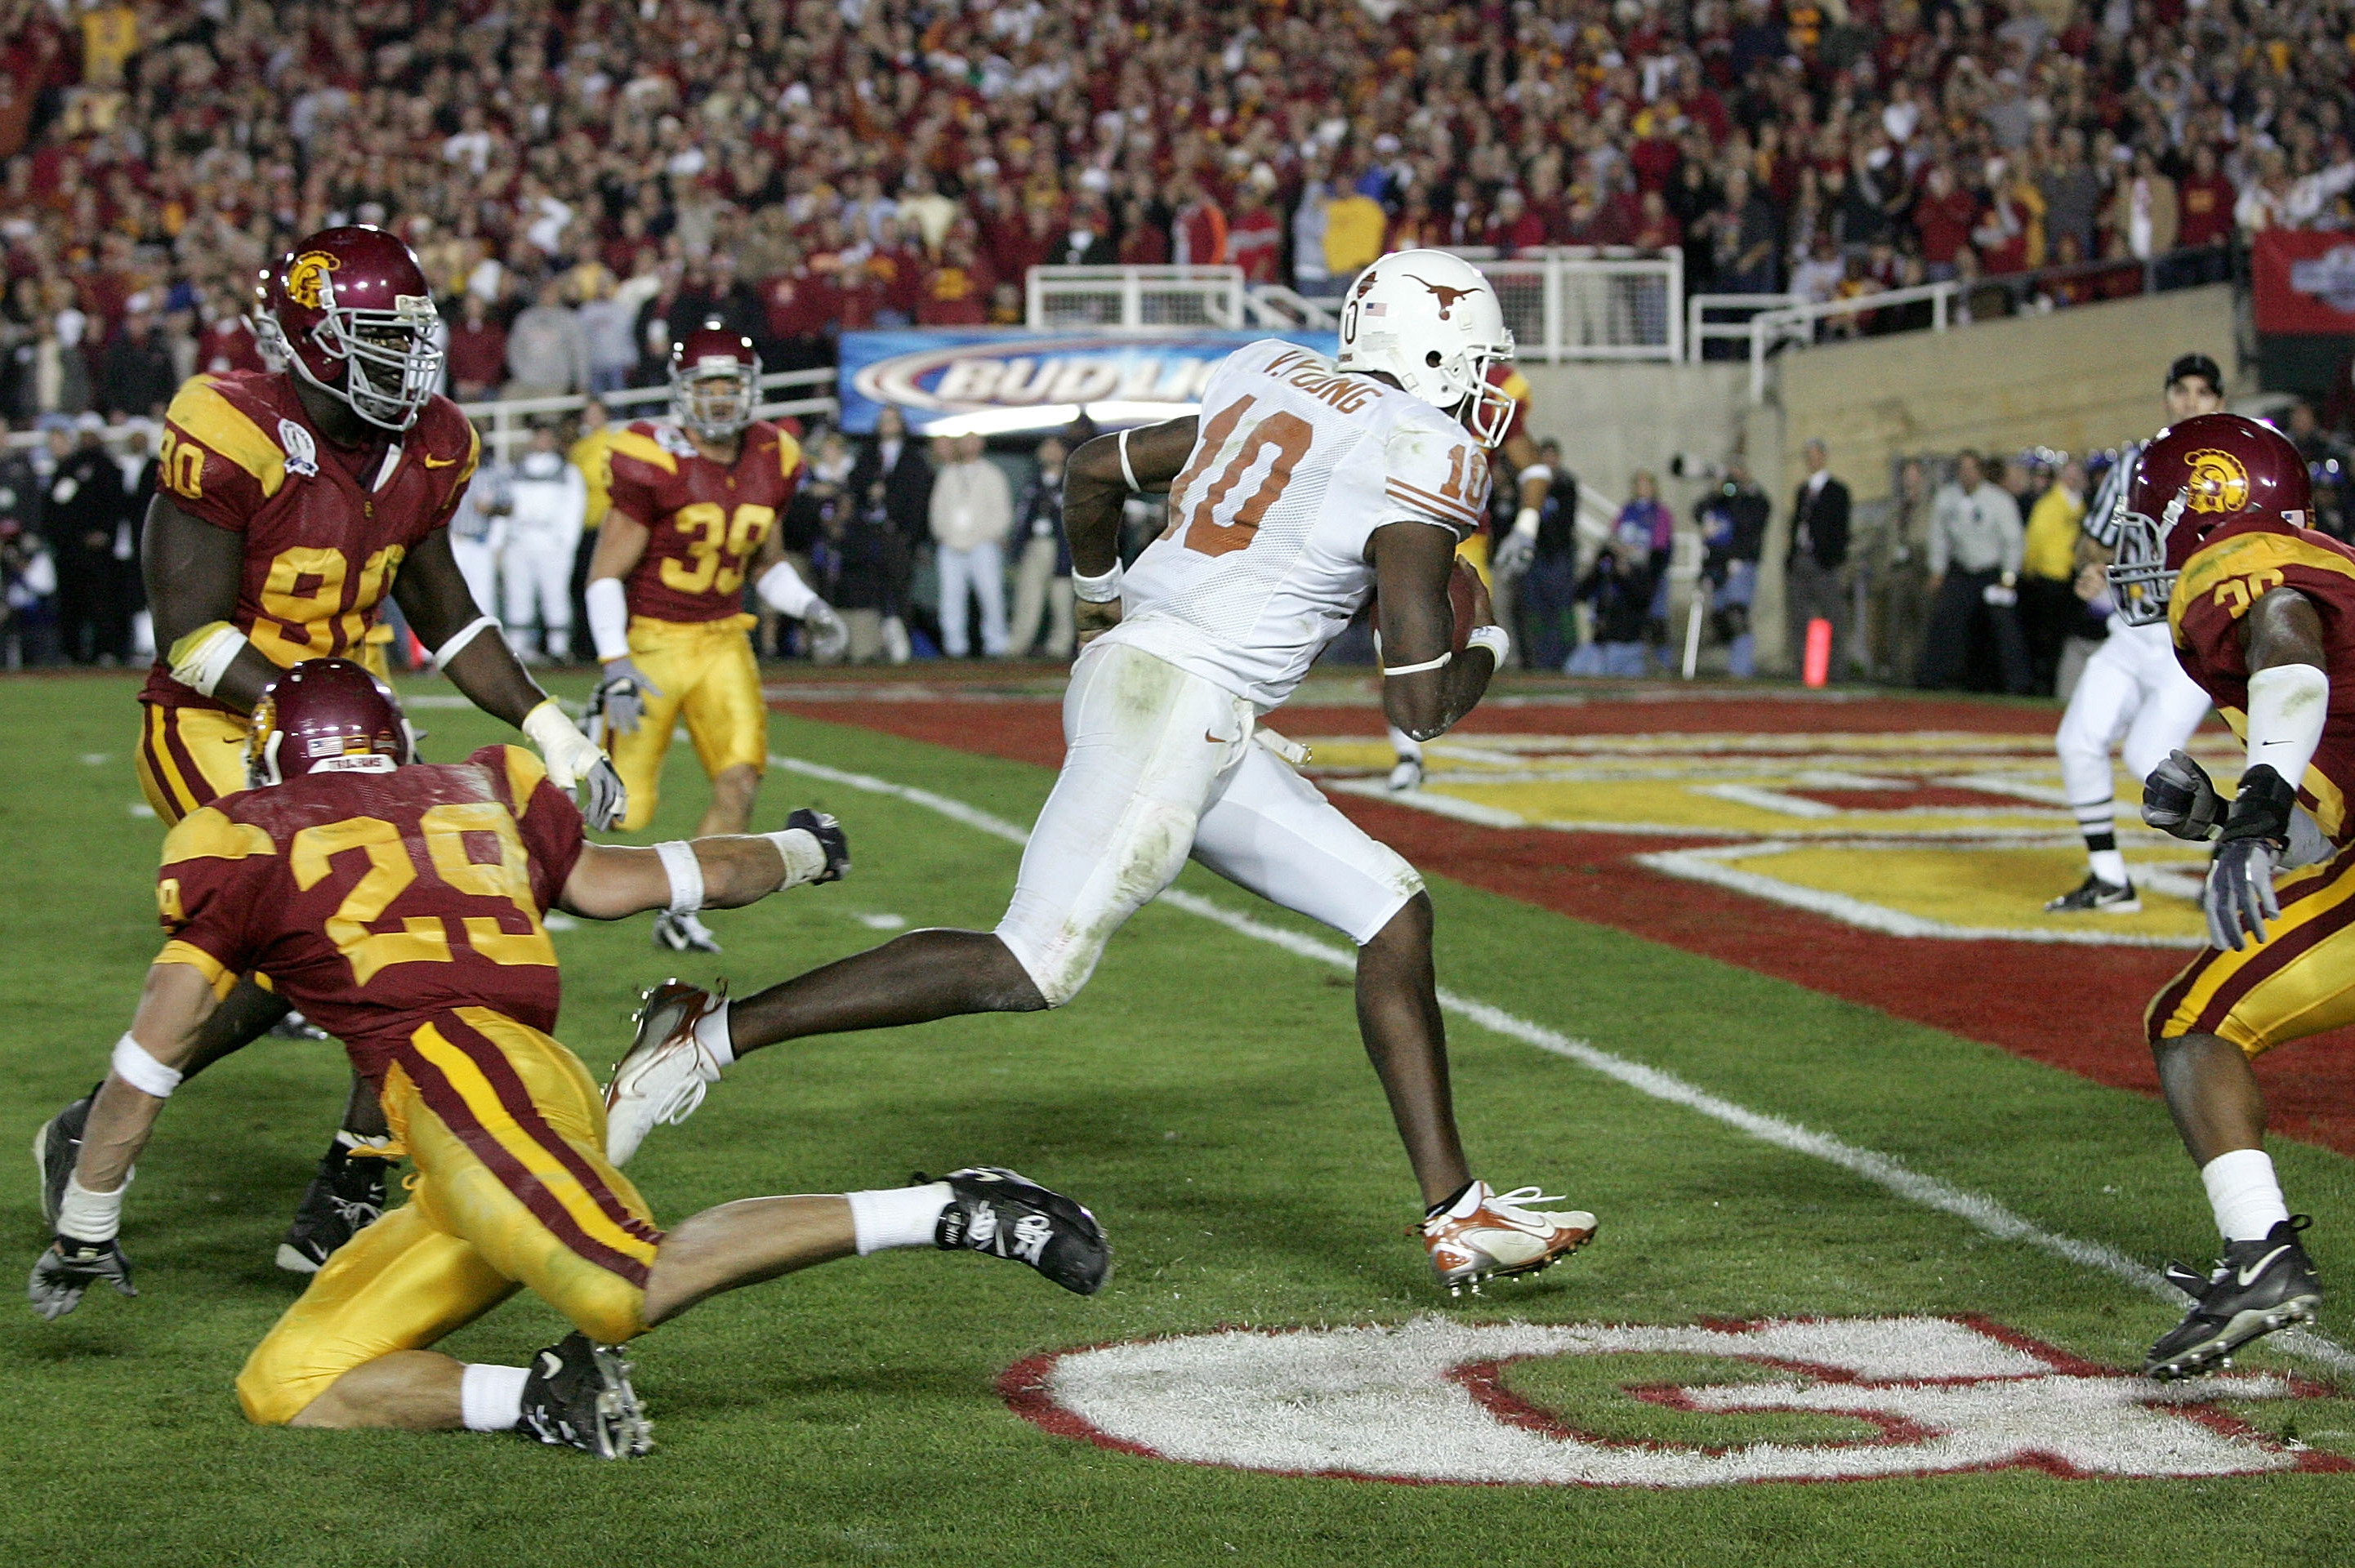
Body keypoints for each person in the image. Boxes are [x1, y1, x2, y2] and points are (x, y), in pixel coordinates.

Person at [601, 251, 1596, 1295]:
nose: (1486, 387)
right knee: (1032, 963)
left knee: (1393, 911)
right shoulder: (1424, 448)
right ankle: (703, 1039)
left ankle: (1457, 1209)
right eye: (1478, 361)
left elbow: (1088, 473)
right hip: (1177, 706)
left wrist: (1098, 606)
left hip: (1164, 689)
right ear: (1433, 353)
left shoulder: (1273, 372)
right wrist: (1484, 640)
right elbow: (1417, 706)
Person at [26, 659, 1108, 1458]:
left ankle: (955, 1208)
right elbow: (653, 877)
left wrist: (85, 1225)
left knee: (620, 1286)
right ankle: (545, 1399)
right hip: (464, 1127)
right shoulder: (475, 791)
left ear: (276, 760)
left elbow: (147, 1064)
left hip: (468, 1079)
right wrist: (797, 851)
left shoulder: (247, 834)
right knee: (291, 1380)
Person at [37, 225, 623, 1283]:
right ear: (312, 337)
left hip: (351, 730)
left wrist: (546, 723)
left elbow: (447, 617)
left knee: (424, 924)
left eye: (411, 338)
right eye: (378, 340)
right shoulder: (229, 424)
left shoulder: (433, 440)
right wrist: (316, 710)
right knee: (290, 936)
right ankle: (96, 1136)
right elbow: (192, 631)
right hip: (217, 718)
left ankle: (347, 1181)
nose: (408, 363)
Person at [2102, 415, 2337, 1379]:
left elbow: (2288, 639)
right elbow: (2331, 820)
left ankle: (2265, 1257)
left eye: (2151, 521)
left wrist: (2255, 813)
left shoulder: (2246, 567)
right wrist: (2229, 812)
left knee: (2197, 1020)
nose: (2141, 549)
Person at [583, 321, 847, 953]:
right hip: (651, 642)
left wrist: (811, 606)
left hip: (724, 637)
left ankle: (681, 908)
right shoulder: (652, 456)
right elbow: (604, 574)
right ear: (682, 390)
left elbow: (767, 563)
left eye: (732, 385)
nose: (722, 398)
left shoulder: (774, 456)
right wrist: (615, 660)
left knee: (739, 782)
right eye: (709, 385)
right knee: (617, 810)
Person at [2045, 355, 2224, 914]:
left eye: (2200, 392)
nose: (2189, 401)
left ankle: (2241, 839)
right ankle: (2108, 879)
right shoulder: (2135, 464)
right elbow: (2094, 543)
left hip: (2187, 640)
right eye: (2180, 390)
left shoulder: (2231, 475)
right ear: (2167, 396)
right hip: (2131, 629)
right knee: (2075, 741)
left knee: (2148, 759)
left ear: (2217, 401)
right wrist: (2091, 570)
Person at [1916, 451, 2031, 693]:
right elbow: (1938, 538)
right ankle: (1931, 680)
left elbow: (2013, 540)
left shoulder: (1998, 500)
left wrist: (2009, 576)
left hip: (1991, 571)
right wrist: (1937, 570)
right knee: (1946, 619)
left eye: (1972, 470)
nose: (1967, 475)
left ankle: (2018, 684)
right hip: (1961, 570)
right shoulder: (1947, 498)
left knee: (2004, 626)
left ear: (1980, 472)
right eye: (1963, 470)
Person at [500, 424, 587, 662]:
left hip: (552, 543)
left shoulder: (567, 472)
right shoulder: (514, 470)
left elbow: (574, 510)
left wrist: (566, 544)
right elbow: (506, 507)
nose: (542, 441)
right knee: (518, 596)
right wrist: (502, 541)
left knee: (555, 595)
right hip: (520, 542)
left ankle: (559, 648)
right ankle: (518, 647)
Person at [46, 412, 127, 665]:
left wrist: (104, 534)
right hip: (72, 550)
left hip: (100, 550)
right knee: (71, 604)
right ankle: (71, 652)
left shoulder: (109, 468)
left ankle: (105, 651)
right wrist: (70, 539)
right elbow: (55, 508)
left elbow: (116, 508)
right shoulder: (67, 468)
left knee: (103, 602)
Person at [929, 432, 1013, 657]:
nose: (968, 445)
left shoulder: (992, 474)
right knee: (951, 598)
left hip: (983, 544)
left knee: (990, 595)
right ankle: (954, 646)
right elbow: (937, 510)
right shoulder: (948, 474)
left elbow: (1002, 512)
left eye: (973, 441)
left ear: (981, 444)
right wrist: (945, 535)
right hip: (951, 545)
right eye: (964, 441)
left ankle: (996, 644)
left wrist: (985, 535)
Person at [2019, 457, 2088, 694]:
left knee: (2062, 636)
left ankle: (2056, 684)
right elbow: (2034, 540)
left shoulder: (2079, 505)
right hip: (2051, 576)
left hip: (2070, 576)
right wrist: (2030, 570)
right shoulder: (2050, 505)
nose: (2073, 479)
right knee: (2048, 636)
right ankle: (2044, 684)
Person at [1785, 438, 1852, 680]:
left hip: (1824, 562)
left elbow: (1840, 530)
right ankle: (1806, 671)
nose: (1811, 460)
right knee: (1799, 618)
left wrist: (1831, 558)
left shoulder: (1837, 492)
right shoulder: (1803, 491)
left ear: (1823, 456)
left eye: (1814, 455)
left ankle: (1835, 672)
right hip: (1801, 559)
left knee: (1832, 616)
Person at [1697, 462, 1770, 678]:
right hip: (1718, 565)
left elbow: (1747, 523)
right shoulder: (1722, 498)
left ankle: (1741, 670)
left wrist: (1736, 493)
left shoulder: (1756, 499)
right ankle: (1733, 667)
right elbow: (1699, 512)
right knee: (1720, 618)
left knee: (1737, 615)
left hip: (1741, 563)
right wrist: (1716, 490)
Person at [1007, 435, 1075, 659]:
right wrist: (1017, 548)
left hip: (1062, 546)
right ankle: (1019, 643)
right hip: (1036, 544)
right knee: (1028, 597)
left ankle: (1060, 645)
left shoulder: (1072, 482)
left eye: (1055, 448)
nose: (1050, 452)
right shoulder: (1033, 482)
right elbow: (1022, 517)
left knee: (1061, 599)